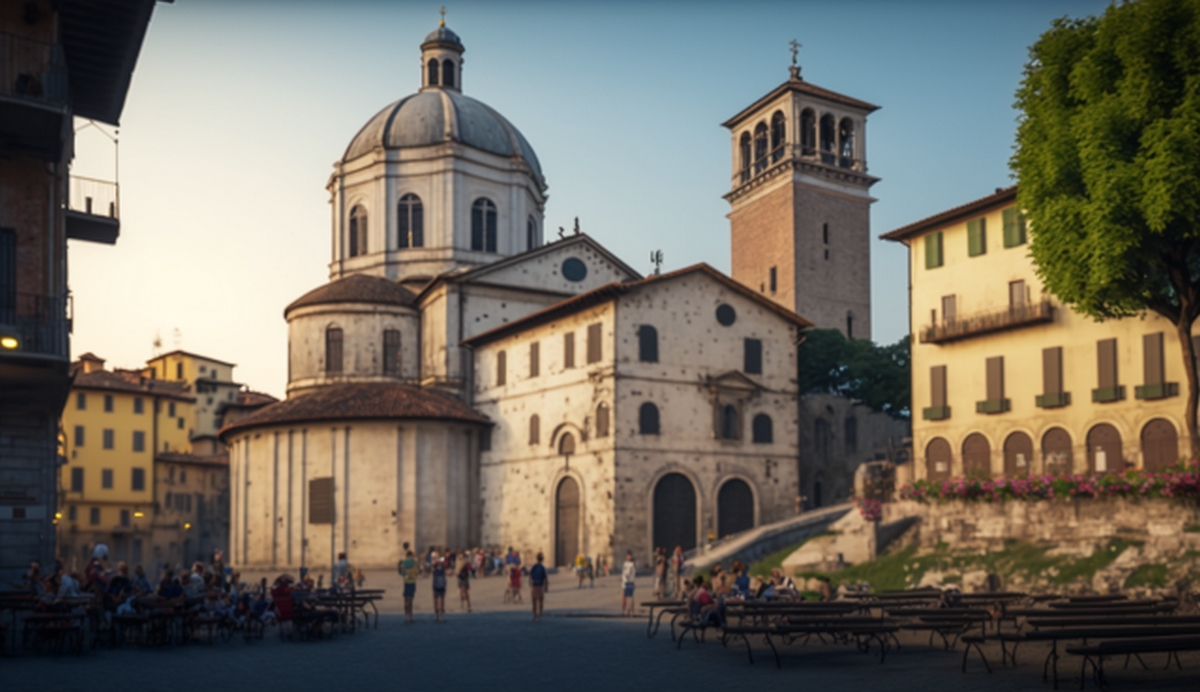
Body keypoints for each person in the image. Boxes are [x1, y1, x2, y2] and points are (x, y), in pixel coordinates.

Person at [399, 549, 418, 623]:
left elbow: (402, 573)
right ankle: (410, 616)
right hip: (412, 582)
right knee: (411, 599)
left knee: (406, 597)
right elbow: (416, 572)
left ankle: (406, 610)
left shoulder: (404, 562)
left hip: (406, 581)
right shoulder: (414, 562)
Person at [529, 552, 548, 622]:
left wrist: (530, 583)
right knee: (540, 600)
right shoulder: (542, 567)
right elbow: (545, 577)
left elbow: (530, 575)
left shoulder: (534, 566)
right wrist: (546, 586)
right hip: (540, 585)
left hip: (534, 584)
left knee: (534, 600)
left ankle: (534, 614)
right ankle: (539, 613)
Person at [431, 553, 447, 622]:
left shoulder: (436, 565)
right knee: (441, 599)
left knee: (437, 599)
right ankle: (440, 614)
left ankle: (438, 615)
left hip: (436, 583)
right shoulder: (441, 565)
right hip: (441, 583)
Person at [620, 552, 636, 616]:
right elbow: (624, 572)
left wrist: (626, 576)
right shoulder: (625, 564)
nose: (627, 557)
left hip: (629, 582)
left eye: (629, 556)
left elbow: (628, 573)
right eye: (627, 556)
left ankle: (630, 611)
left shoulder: (631, 564)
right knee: (625, 597)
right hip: (625, 582)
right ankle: (625, 611)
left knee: (630, 597)